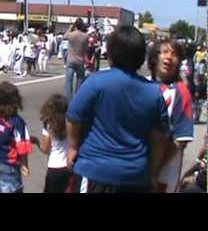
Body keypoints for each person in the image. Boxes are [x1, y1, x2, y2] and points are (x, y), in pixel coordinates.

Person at [65, 26, 170, 193]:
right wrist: (152, 172)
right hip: (135, 175)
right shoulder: (154, 93)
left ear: (111, 53)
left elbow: (74, 117)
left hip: (94, 170)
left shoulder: (96, 82)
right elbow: (159, 138)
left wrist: (72, 147)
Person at [151, 39, 195, 193]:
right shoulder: (144, 85)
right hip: (136, 171)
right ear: (155, 57)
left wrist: (153, 170)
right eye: (164, 52)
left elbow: (179, 142)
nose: (169, 57)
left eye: (174, 54)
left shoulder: (181, 92)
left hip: (164, 176)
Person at [0, 81, 33, 193]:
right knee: (11, 188)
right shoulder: (17, 122)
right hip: (9, 164)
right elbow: (22, 146)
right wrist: (24, 164)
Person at [31, 94, 72, 193]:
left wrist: (36, 142)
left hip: (54, 168)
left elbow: (45, 149)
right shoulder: (71, 122)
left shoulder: (48, 125)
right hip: (70, 166)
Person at [63, 18, 88, 101]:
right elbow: (85, 49)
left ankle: (68, 99)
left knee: (68, 81)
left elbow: (64, 36)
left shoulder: (71, 34)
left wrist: (70, 28)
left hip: (70, 60)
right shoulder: (85, 36)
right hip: (80, 60)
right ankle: (78, 99)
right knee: (80, 80)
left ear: (75, 25)